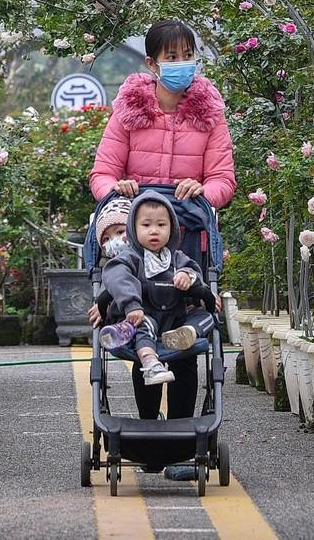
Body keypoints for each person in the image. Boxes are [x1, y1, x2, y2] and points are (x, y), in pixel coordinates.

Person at [89, 19, 236, 208]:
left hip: (190, 229)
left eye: (188, 55)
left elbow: (222, 180)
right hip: (136, 229)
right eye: (172, 57)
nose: (181, 63)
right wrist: (116, 190)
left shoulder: (209, 113)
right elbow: (102, 174)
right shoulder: (129, 110)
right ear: (151, 63)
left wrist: (202, 193)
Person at [98, 197, 217, 384]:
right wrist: (131, 304)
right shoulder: (130, 258)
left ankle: (188, 332)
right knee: (143, 325)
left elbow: (195, 271)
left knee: (208, 317)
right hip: (144, 315)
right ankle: (150, 361)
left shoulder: (178, 258)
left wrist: (188, 276)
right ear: (133, 230)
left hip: (177, 321)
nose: (154, 230)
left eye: (161, 225)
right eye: (146, 225)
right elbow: (118, 277)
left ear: (172, 229)